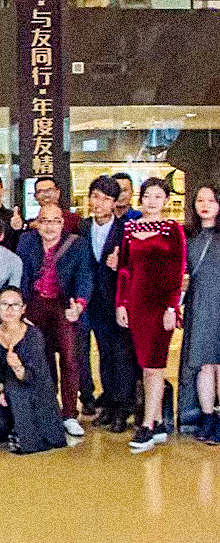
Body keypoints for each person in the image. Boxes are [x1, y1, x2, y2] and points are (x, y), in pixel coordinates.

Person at [116, 178, 186, 452]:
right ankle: (156, 423)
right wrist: (121, 303)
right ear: (140, 198)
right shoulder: (130, 228)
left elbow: (177, 271)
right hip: (136, 303)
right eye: (148, 196)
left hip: (160, 306)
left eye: (158, 196)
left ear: (166, 200)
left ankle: (146, 425)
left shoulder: (173, 229)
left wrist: (172, 307)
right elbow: (124, 269)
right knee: (144, 365)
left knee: (154, 366)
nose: (152, 201)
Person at [17, 203, 92, 438]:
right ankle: (48, 409)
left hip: (64, 304)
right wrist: (20, 306)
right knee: (40, 356)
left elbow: (85, 276)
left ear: (62, 223)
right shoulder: (27, 242)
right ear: (37, 223)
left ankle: (69, 414)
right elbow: (22, 275)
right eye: (45, 221)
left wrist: (79, 304)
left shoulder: (77, 244)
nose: (50, 226)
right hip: (35, 304)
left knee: (70, 358)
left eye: (55, 221)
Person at [0, 286, 68, 454]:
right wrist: (1, 391)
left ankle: (30, 441)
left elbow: (35, 378)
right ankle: (15, 427)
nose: (9, 309)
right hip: (6, 392)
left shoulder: (33, 336)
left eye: (15, 305)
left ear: (23, 309)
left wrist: (17, 367)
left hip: (35, 394)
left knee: (15, 387)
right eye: (4, 304)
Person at [80, 176, 132, 432]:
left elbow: (134, 267)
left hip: (116, 301)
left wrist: (120, 265)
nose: (98, 203)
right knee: (102, 354)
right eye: (95, 197)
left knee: (120, 355)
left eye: (105, 199)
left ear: (114, 202)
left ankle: (123, 408)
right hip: (89, 302)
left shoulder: (126, 231)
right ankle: (108, 404)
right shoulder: (81, 228)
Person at [181, 185, 220, 443]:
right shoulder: (187, 237)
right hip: (200, 306)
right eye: (199, 200)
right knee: (204, 365)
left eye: (211, 200)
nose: (204, 205)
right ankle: (207, 418)